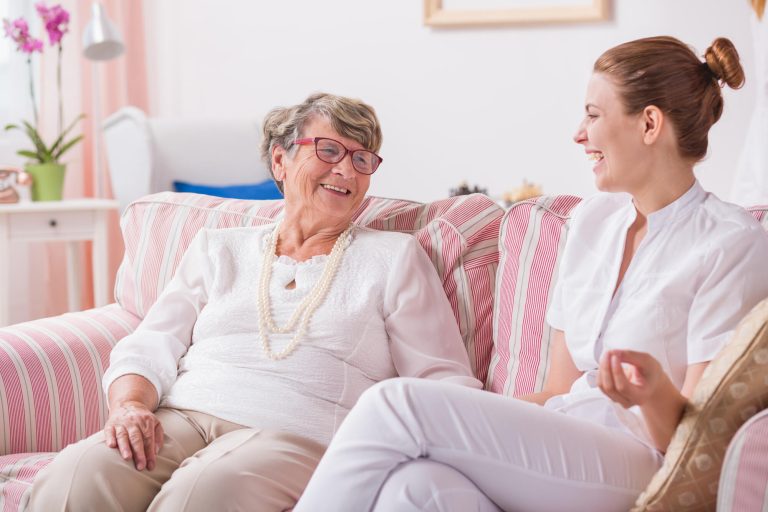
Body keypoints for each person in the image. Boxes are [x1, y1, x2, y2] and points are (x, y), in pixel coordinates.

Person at [294, 37, 768, 512]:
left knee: (394, 405)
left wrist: (652, 393)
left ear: (649, 123)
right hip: (566, 439)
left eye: (593, 115)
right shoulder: (592, 221)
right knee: (416, 486)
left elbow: (699, 443)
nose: (579, 134)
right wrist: (478, 422)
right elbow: (559, 392)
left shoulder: (731, 243)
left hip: (647, 459)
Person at [28, 92, 481, 512]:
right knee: (78, 476)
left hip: (297, 433)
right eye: (328, 150)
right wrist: (129, 406)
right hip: (182, 416)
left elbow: (438, 377)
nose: (347, 170)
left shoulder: (393, 256)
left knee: (204, 491)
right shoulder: (218, 247)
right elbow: (150, 344)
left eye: (362, 159)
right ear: (280, 160)